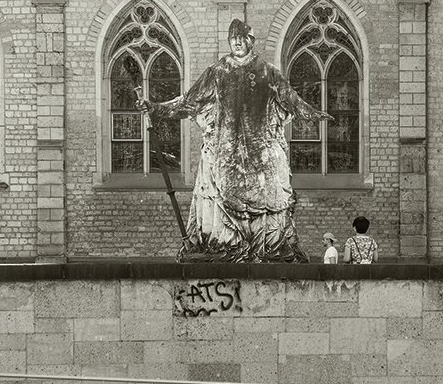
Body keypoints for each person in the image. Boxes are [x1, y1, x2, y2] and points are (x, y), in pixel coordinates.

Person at [137, 19, 330, 263]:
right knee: (222, 197)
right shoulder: (218, 71)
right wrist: (156, 108)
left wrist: (312, 112)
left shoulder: (268, 72)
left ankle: (267, 245)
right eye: (233, 39)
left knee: (269, 200)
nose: (237, 43)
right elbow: (190, 101)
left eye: (242, 38)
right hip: (226, 154)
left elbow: (290, 98)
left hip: (259, 153)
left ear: (251, 41)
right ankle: (226, 243)